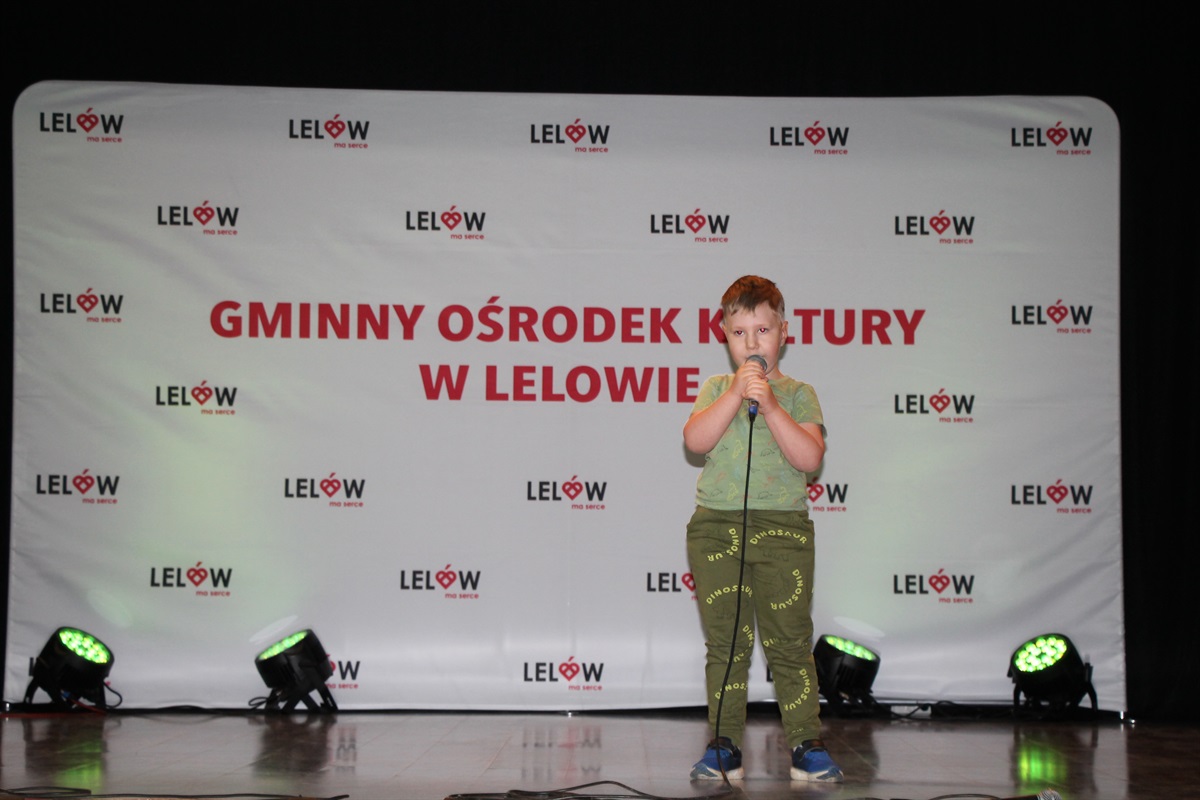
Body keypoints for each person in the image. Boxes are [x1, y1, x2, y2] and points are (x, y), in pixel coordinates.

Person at [682, 275, 843, 783]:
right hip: (716, 528)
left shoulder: (798, 394)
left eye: (763, 331)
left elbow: (810, 457)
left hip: (782, 531)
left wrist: (770, 404)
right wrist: (736, 393)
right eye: (739, 333)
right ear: (724, 337)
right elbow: (695, 441)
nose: (751, 343)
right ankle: (724, 744)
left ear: (783, 333)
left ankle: (806, 743)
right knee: (726, 644)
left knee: (790, 642)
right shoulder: (716, 388)